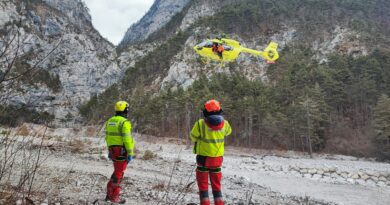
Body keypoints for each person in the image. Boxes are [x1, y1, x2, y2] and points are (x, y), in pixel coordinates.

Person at [190, 99, 232, 205]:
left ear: (206, 111)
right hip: (218, 159)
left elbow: (193, 137)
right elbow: (228, 132)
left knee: (203, 185)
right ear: (219, 110)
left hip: (203, 159)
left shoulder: (200, 124)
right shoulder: (225, 124)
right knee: (216, 185)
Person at [105, 101, 135, 204]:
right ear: (125, 110)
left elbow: (107, 137)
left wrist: (110, 150)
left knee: (116, 172)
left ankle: (109, 194)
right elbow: (127, 139)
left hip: (113, 151)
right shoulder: (124, 122)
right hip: (122, 151)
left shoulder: (110, 121)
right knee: (119, 173)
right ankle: (114, 197)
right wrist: (130, 152)